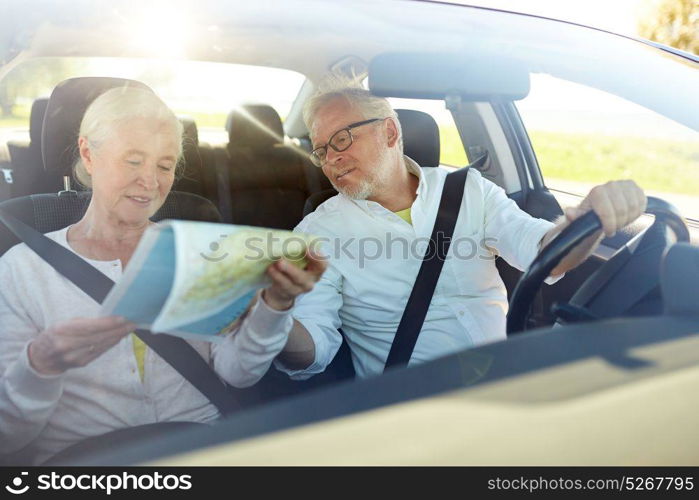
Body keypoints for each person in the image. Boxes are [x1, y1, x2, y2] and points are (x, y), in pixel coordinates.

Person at [0, 87, 326, 464]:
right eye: (133, 161)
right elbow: (8, 437)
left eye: (165, 165)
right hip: (85, 464)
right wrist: (39, 364)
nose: (150, 182)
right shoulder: (21, 270)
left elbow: (238, 374)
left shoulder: (201, 252)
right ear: (89, 154)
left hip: (202, 451)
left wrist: (276, 306)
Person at [272, 82, 647, 380]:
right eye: (321, 150)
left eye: (342, 139)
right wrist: (267, 320)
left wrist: (585, 218)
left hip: (507, 381)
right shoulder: (318, 232)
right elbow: (314, 347)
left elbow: (545, 254)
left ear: (389, 132)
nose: (332, 158)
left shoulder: (469, 190)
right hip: (414, 409)